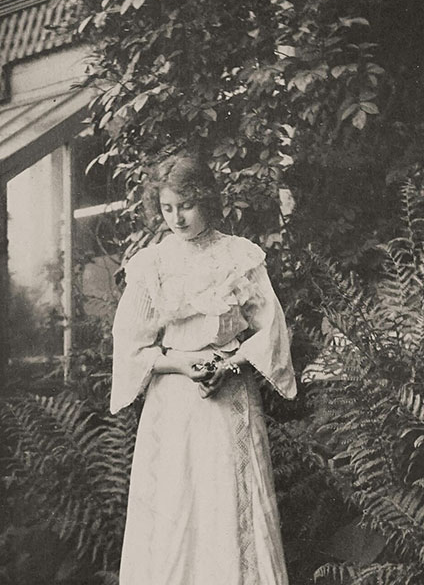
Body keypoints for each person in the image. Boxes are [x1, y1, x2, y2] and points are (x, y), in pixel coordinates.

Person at [110, 150, 297, 585]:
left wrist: (229, 365)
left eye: (187, 206)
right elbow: (130, 343)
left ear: (207, 200)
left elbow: (272, 330)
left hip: (229, 398)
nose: (177, 218)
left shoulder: (239, 257)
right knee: (177, 507)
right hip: (174, 402)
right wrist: (180, 363)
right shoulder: (152, 265)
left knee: (228, 500)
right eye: (167, 208)